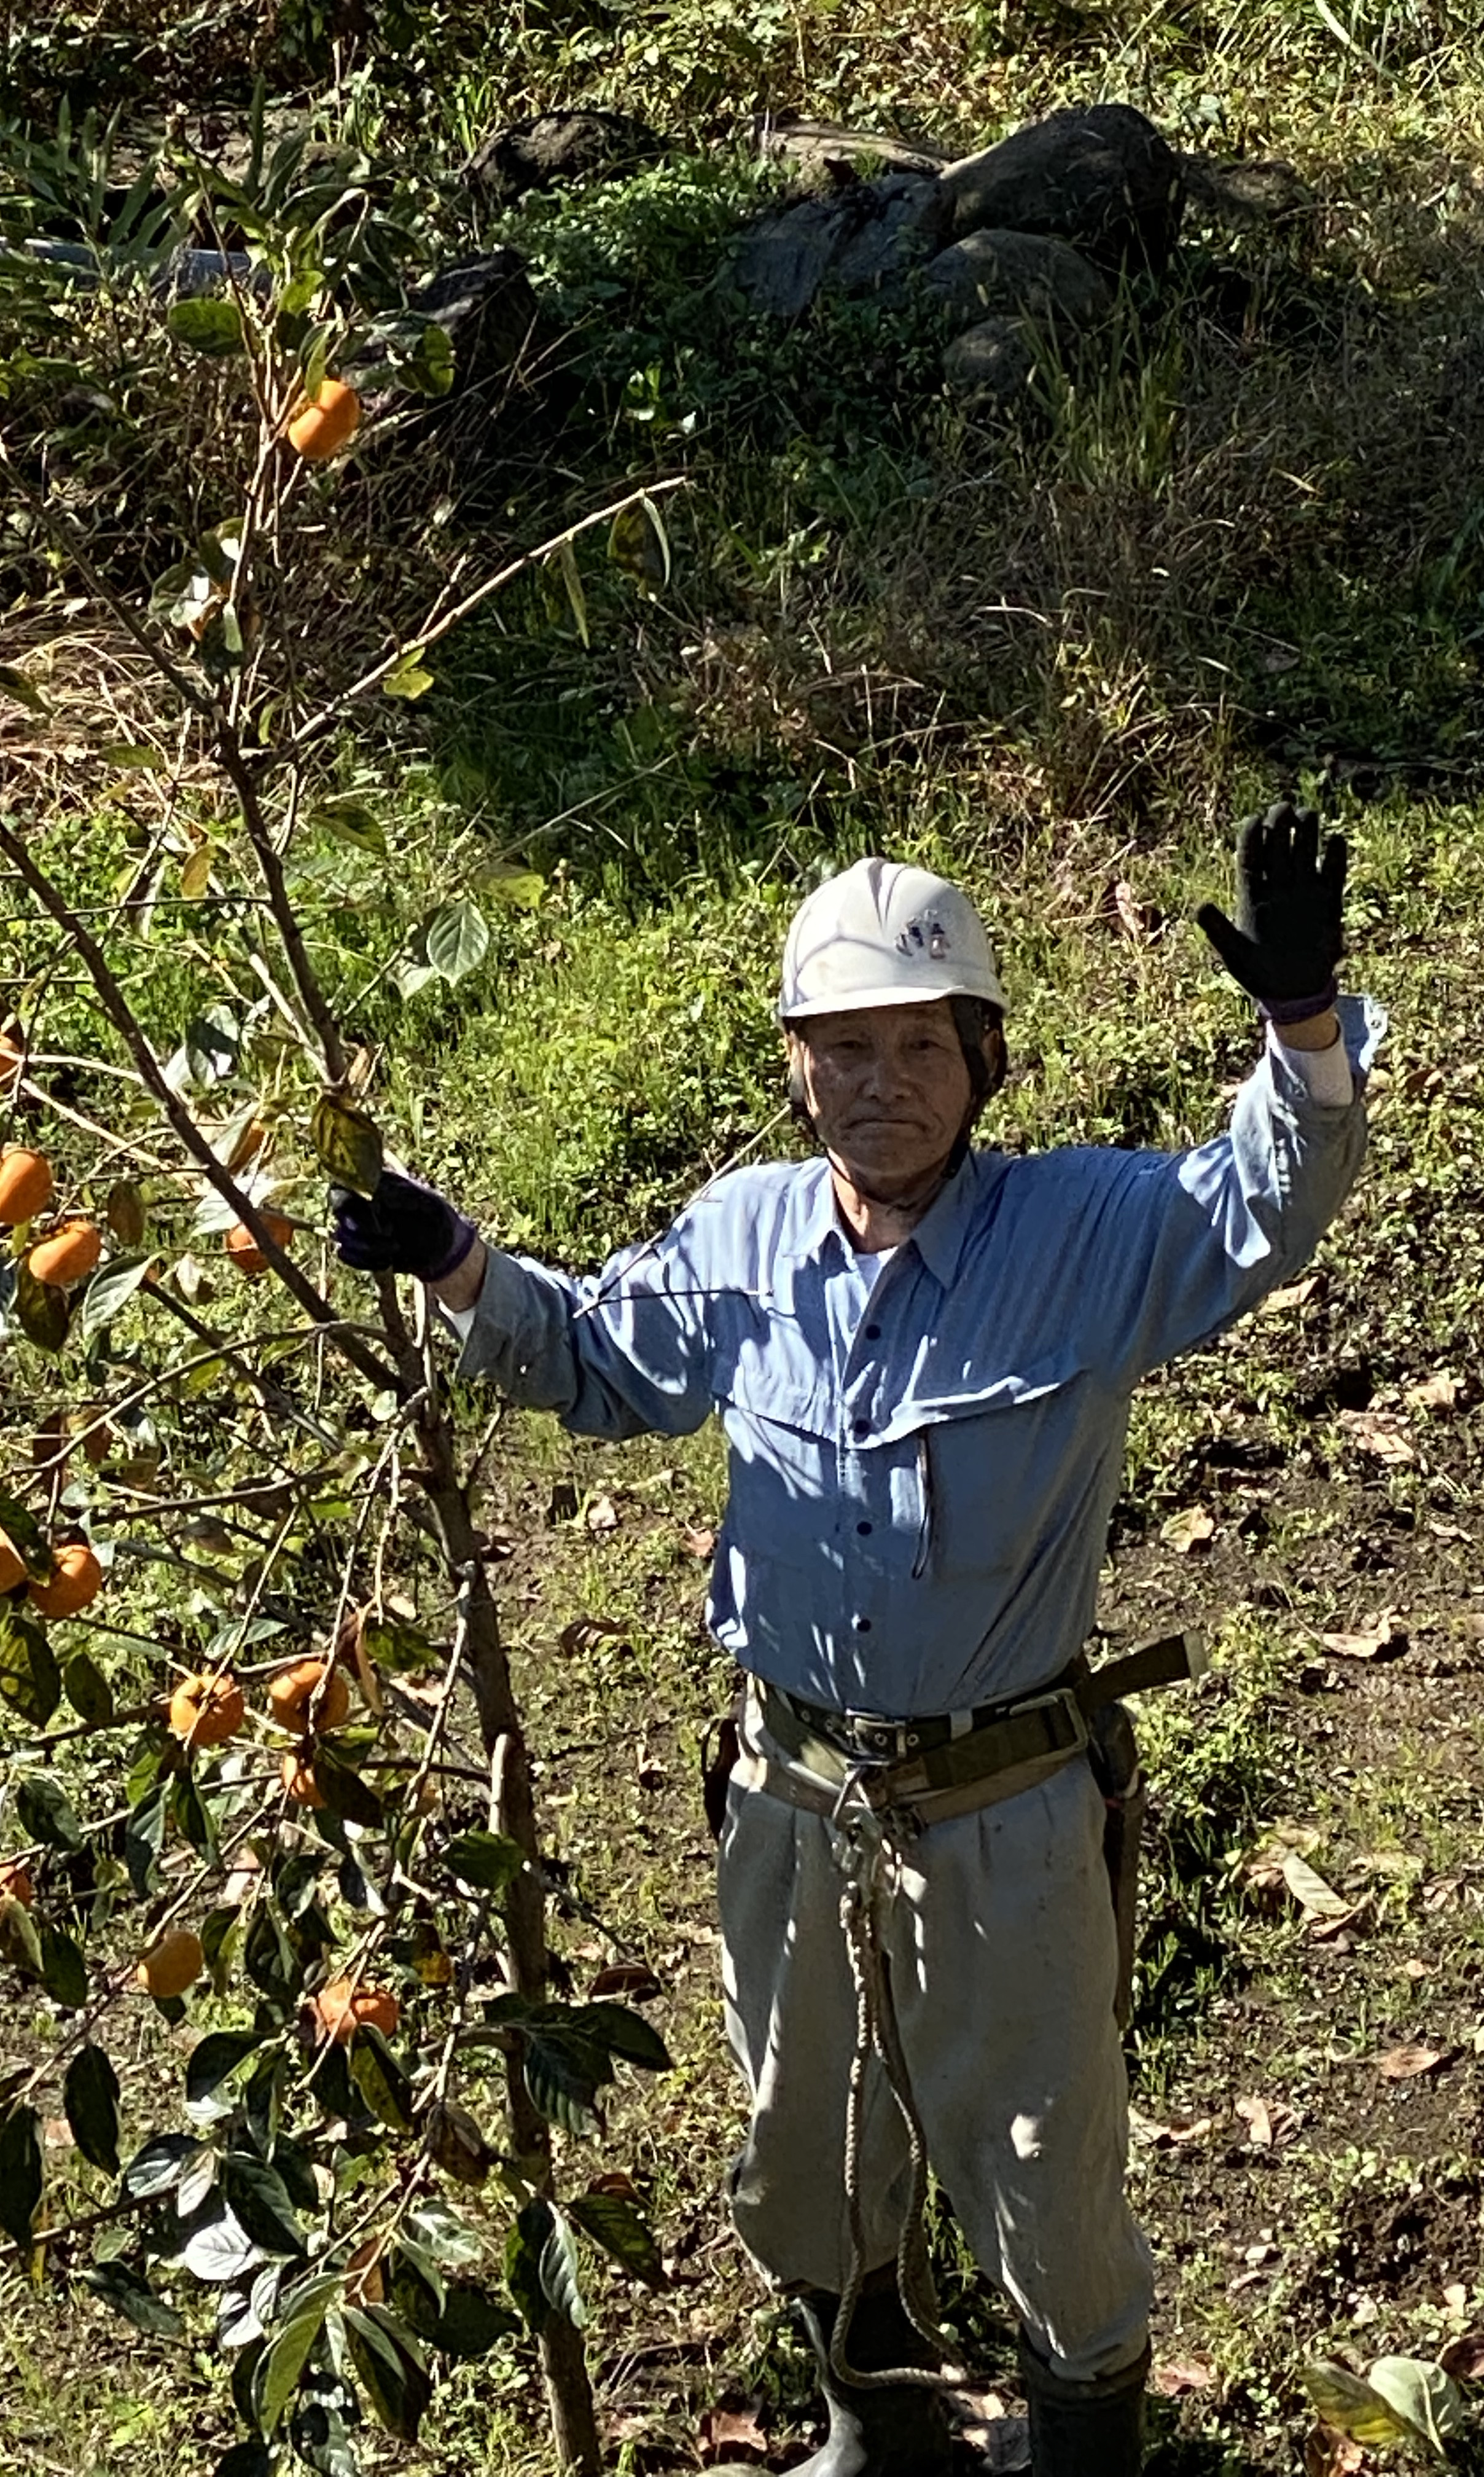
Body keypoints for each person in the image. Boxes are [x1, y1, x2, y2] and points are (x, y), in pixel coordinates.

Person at [330, 810, 1380, 2476]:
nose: (878, 1081)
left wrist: (1304, 1024)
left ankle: (1080, 2436)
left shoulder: (1086, 1235)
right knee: (803, 2151)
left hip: (1006, 1808)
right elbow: (601, 1367)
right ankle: (873, 2424)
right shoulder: (741, 1238)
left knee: (1045, 2159)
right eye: (841, 1049)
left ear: (982, 1057)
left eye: (915, 1043)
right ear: (797, 1070)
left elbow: (1266, 1204)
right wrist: (454, 1260)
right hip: (792, 1797)